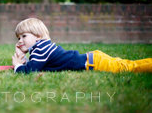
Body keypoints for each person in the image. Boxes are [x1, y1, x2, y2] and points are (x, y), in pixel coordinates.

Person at [12, 18, 152, 74]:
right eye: (19, 38)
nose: (20, 40)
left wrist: (18, 65)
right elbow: (37, 64)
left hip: (95, 63)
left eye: (24, 36)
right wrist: (23, 55)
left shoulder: (40, 49)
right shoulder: (42, 47)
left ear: (38, 36)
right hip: (93, 58)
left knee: (130, 68)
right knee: (128, 64)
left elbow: (30, 70)